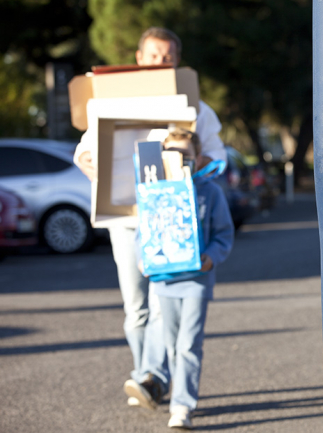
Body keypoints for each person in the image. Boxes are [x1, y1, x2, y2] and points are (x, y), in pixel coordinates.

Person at [72, 27, 227, 409]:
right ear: (139, 59)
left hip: (170, 218)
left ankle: (152, 378)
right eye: (155, 56)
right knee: (136, 307)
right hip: (124, 218)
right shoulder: (110, 101)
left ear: (177, 60)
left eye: (169, 56)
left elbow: (220, 160)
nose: (161, 62)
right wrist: (85, 160)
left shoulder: (196, 106)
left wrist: (195, 161)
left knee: (161, 302)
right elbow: (84, 151)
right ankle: (145, 375)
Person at [127, 129, 234, 429]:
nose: (180, 161)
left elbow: (224, 233)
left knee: (189, 344)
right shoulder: (154, 191)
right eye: (172, 154)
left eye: (186, 155)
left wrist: (212, 256)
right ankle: (171, 392)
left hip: (196, 281)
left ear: (197, 158)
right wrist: (142, 257)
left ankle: (182, 406)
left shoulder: (210, 192)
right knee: (171, 344)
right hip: (164, 280)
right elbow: (142, 233)